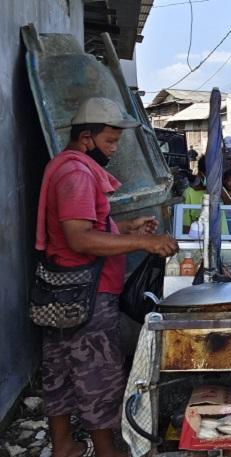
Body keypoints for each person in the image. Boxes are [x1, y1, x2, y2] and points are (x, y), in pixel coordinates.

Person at [36, 97, 178, 457]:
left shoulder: (63, 166)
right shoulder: (78, 174)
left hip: (59, 292)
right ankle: (106, 450)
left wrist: (125, 227)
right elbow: (79, 238)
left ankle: (64, 445)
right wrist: (144, 241)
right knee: (98, 376)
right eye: (109, 142)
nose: (113, 150)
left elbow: (87, 225)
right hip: (87, 293)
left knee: (60, 371)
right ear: (87, 138)